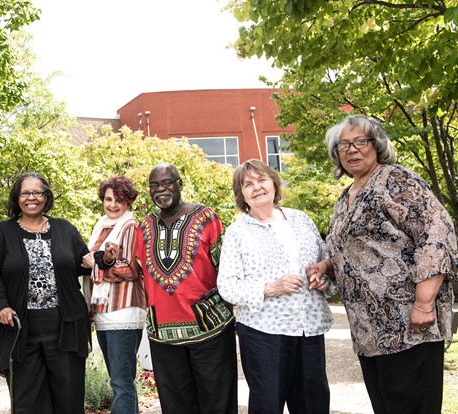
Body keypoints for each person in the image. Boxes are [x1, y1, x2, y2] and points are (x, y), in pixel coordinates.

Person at [308, 114, 458, 414]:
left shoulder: (396, 180)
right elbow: (360, 253)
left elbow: (437, 234)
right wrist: (328, 265)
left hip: (408, 326)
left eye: (359, 142)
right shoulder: (346, 197)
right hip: (369, 333)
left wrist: (424, 303)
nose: (351, 150)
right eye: (343, 145)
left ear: (376, 145)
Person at [217, 159, 333, 414]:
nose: (256, 187)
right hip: (264, 333)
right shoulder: (238, 232)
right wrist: (270, 288)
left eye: (262, 180)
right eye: (248, 184)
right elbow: (227, 286)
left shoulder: (302, 220)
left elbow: (326, 265)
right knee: (267, 405)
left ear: (274, 184)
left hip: (309, 327)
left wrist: (321, 280)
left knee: (313, 404)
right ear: (242, 195)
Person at [0, 172, 92, 414]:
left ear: (46, 196)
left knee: (68, 395)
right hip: (21, 326)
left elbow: (84, 262)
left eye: (37, 192)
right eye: (25, 193)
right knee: (28, 399)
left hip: (65, 325)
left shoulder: (65, 229)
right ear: (17, 197)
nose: (31, 198)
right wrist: (0, 305)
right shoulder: (2, 233)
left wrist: (104, 259)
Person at [135, 163, 237, 414]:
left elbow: (226, 269)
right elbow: (139, 273)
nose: (161, 189)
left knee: (217, 402)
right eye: (154, 185)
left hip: (210, 328)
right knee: (175, 405)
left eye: (167, 182)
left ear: (180, 184)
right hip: (163, 334)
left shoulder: (206, 218)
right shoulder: (143, 227)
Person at [82, 175, 146, 414]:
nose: (113, 205)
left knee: (121, 382)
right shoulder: (102, 225)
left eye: (119, 200)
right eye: (108, 199)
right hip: (103, 312)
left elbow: (131, 269)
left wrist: (96, 266)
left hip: (124, 311)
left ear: (128, 202)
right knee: (116, 381)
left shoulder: (130, 227)